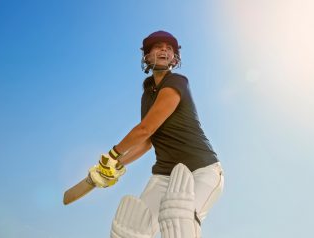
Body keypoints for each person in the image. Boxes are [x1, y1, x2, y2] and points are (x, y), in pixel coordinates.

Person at [89, 30, 224, 238]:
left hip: (201, 169)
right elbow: (146, 142)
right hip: (164, 174)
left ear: (174, 58)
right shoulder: (148, 94)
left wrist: (113, 156)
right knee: (134, 228)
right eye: (158, 46)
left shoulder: (177, 82)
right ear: (147, 56)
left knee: (179, 217)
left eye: (169, 48)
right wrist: (116, 166)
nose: (164, 50)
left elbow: (145, 129)